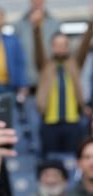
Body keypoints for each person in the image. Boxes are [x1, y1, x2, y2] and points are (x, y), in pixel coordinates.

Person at [34, 19, 93, 158]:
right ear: (52, 47)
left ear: (68, 46)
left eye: (63, 44)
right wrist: (36, 29)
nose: (60, 47)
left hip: (72, 122)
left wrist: (91, 23)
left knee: (73, 159)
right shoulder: (45, 66)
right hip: (49, 123)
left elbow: (84, 45)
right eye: (57, 44)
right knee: (50, 160)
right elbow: (38, 50)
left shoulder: (75, 64)